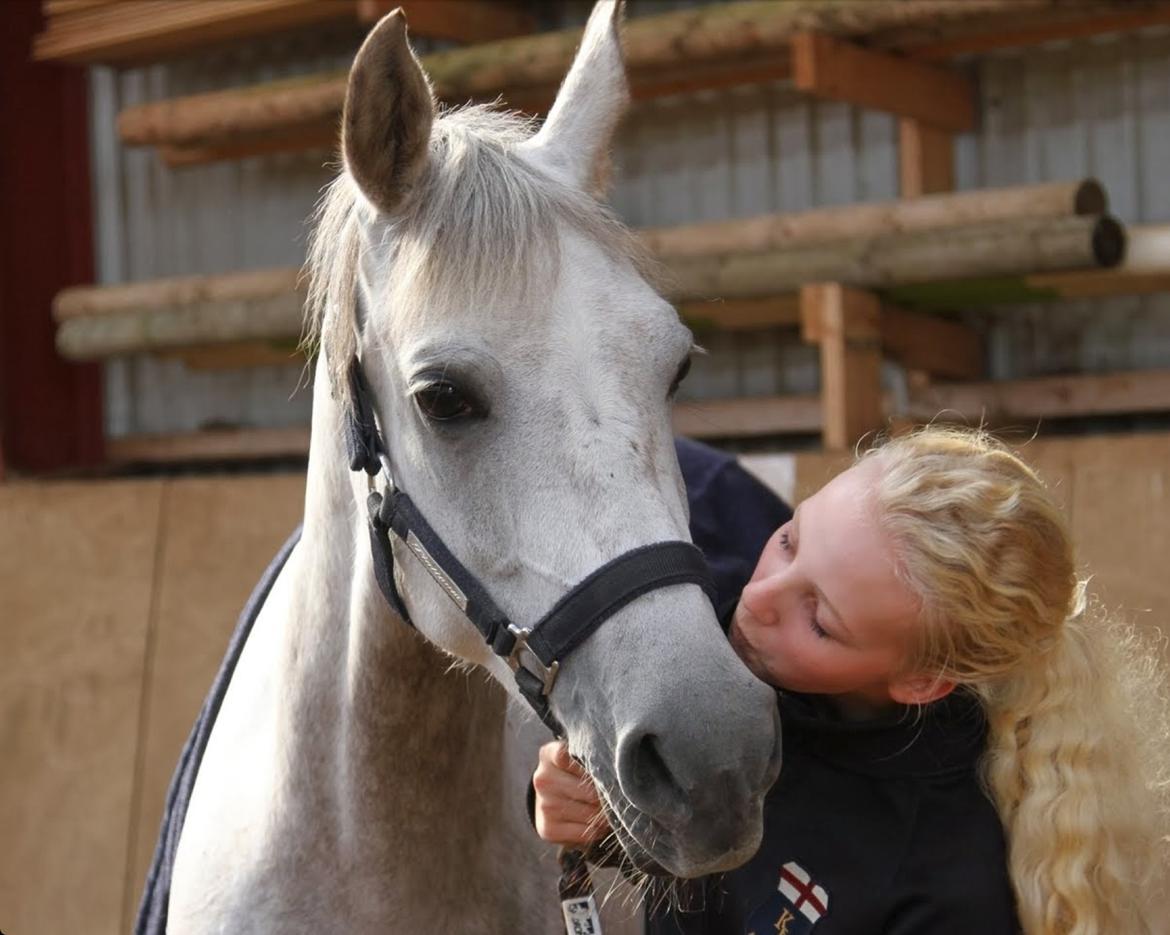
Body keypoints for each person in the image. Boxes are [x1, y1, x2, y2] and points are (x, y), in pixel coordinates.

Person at [533, 427, 1170, 934]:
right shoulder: (728, 640)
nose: (758, 600)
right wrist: (591, 813)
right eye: (788, 539)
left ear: (922, 681)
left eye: (819, 619)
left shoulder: (946, 886)